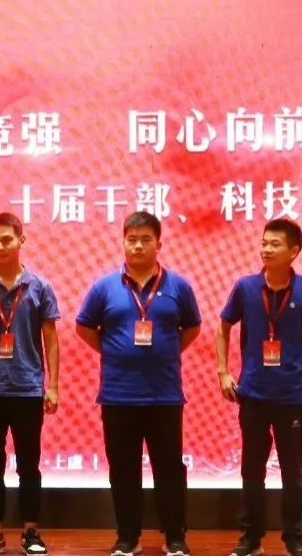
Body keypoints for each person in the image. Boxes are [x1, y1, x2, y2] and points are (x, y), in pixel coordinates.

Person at [75, 211, 201, 556]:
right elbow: (84, 327)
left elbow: (192, 327)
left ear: (159, 244)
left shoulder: (178, 287)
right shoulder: (104, 287)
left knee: (169, 471)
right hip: (118, 395)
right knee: (123, 471)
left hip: (164, 395)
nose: (138, 246)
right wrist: (114, 351)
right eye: (132, 239)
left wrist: (166, 351)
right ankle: (127, 537)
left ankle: (174, 536)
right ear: (123, 242)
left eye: (146, 239)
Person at [215, 218, 302, 556]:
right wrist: (223, 372)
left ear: (293, 251)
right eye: (264, 242)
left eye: (275, 244)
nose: (266, 249)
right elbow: (223, 326)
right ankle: (251, 538)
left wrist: (300, 360)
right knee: (252, 470)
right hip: (252, 393)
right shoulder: (246, 288)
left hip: (292, 397)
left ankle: (294, 539)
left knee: (292, 473)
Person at [0, 213, 61, 556]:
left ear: (22, 241)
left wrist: (52, 385)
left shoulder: (40, 287)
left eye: (7, 239)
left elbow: (51, 339)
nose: (1, 246)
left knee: (29, 464)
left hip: (28, 390)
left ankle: (31, 532)